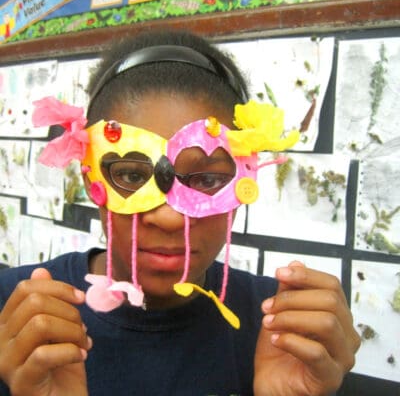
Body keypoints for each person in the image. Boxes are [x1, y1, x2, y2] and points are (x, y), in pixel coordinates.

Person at [0, 28, 360, 396]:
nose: (170, 218)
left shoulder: (281, 327)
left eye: (206, 180)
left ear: (242, 185)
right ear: (92, 179)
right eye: (129, 175)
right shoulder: (17, 317)